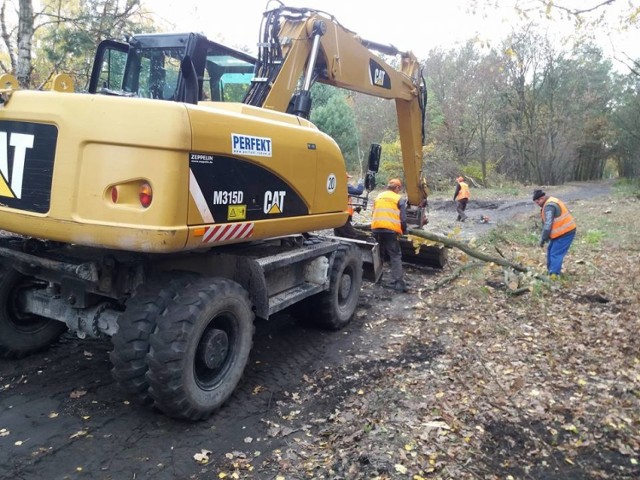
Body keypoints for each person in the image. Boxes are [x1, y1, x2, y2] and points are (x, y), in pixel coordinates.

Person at [371, 178, 408, 292]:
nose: (399, 190)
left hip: (376, 228)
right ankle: (398, 283)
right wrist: (404, 230)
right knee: (395, 255)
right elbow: (403, 218)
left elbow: (374, 212)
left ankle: (378, 279)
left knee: (379, 254)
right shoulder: (398, 198)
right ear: (396, 188)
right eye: (399, 188)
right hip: (390, 230)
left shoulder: (378, 196)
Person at [532, 189, 577, 277]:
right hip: (560, 232)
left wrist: (543, 239)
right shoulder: (550, 201)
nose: (537, 204)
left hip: (566, 232)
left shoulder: (549, 206)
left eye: (537, 202)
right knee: (550, 250)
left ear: (542, 198)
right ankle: (550, 271)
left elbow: (548, 224)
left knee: (555, 253)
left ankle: (554, 275)